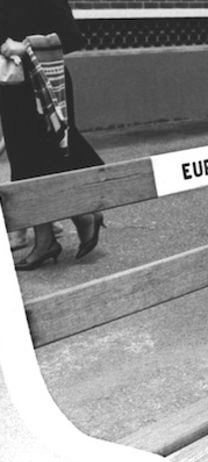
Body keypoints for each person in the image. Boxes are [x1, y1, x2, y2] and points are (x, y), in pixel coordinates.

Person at [0, 0, 105, 270]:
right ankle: (46, 239)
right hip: (11, 85)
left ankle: (81, 215)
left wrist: (25, 46)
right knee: (24, 163)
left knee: (56, 155)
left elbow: (71, 37)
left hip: (46, 85)